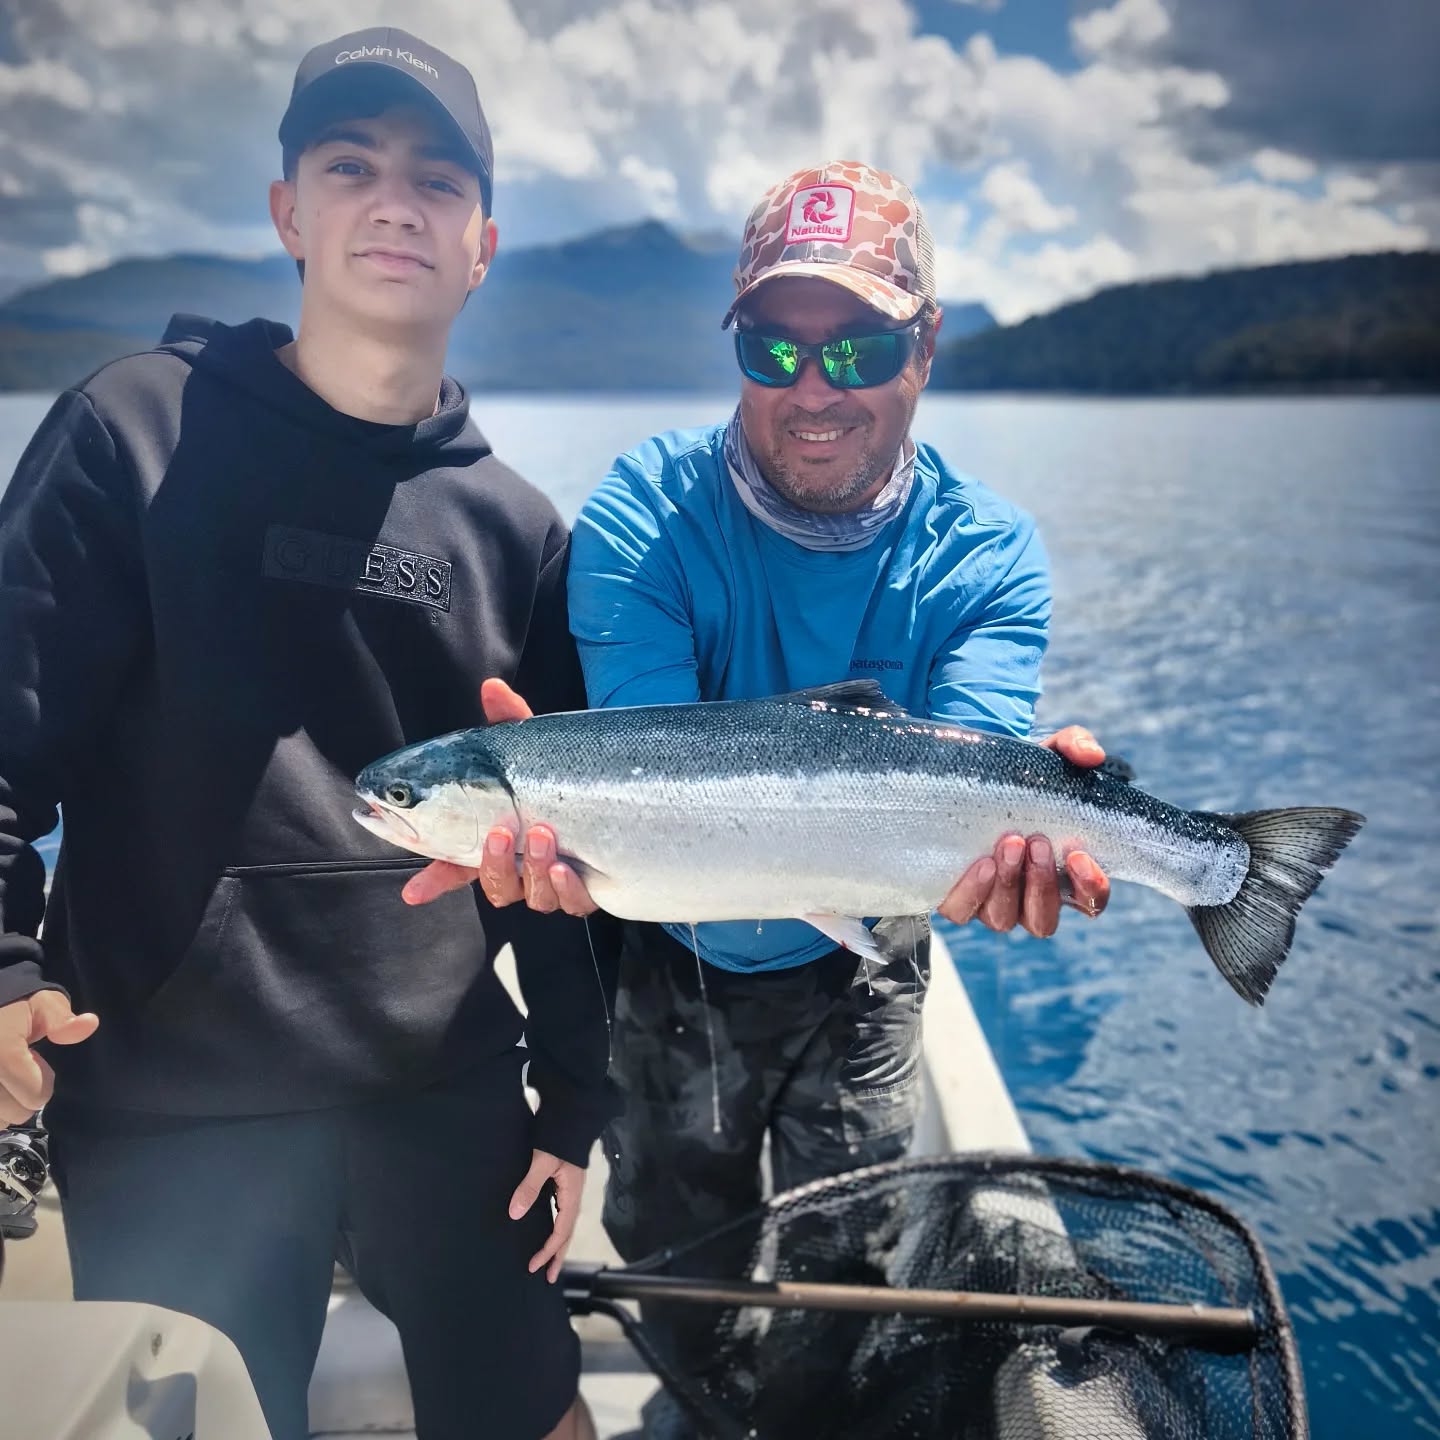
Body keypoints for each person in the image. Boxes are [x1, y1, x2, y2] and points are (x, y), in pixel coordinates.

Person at [406, 161, 1111, 1437]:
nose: (812, 387)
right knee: (683, 1264)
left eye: (860, 349)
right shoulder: (641, 516)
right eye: (774, 344)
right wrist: (554, 829)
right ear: (736, 342)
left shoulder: (989, 554)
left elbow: (981, 778)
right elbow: (649, 764)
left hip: (865, 969)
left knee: (848, 1276)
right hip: (668, 963)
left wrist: (1022, 834)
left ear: (926, 347)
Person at [0, 28, 611, 1440]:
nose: (395, 203)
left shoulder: (515, 530)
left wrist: (576, 1096)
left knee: (544, 1419)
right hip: (173, 1099)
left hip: (444, 1092)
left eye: (436, 181)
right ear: (288, 212)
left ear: (482, 244)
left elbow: (561, 859)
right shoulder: (130, 436)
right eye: (352, 166)